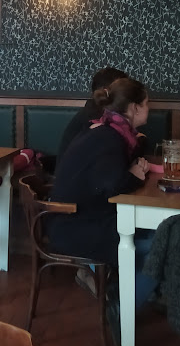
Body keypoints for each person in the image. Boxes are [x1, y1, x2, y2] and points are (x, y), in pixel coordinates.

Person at [48, 78, 155, 312]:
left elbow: (109, 175)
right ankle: (122, 307)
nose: (150, 108)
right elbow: (111, 185)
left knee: (158, 234)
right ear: (134, 108)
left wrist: (132, 169)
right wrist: (135, 176)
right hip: (75, 227)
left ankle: (126, 293)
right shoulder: (109, 137)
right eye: (147, 103)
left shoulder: (106, 129)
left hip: (77, 218)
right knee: (160, 246)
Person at [57, 67, 129, 159]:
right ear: (106, 92)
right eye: (122, 90)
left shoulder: (98, 111)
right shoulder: (96, 117)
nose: (127, 94)